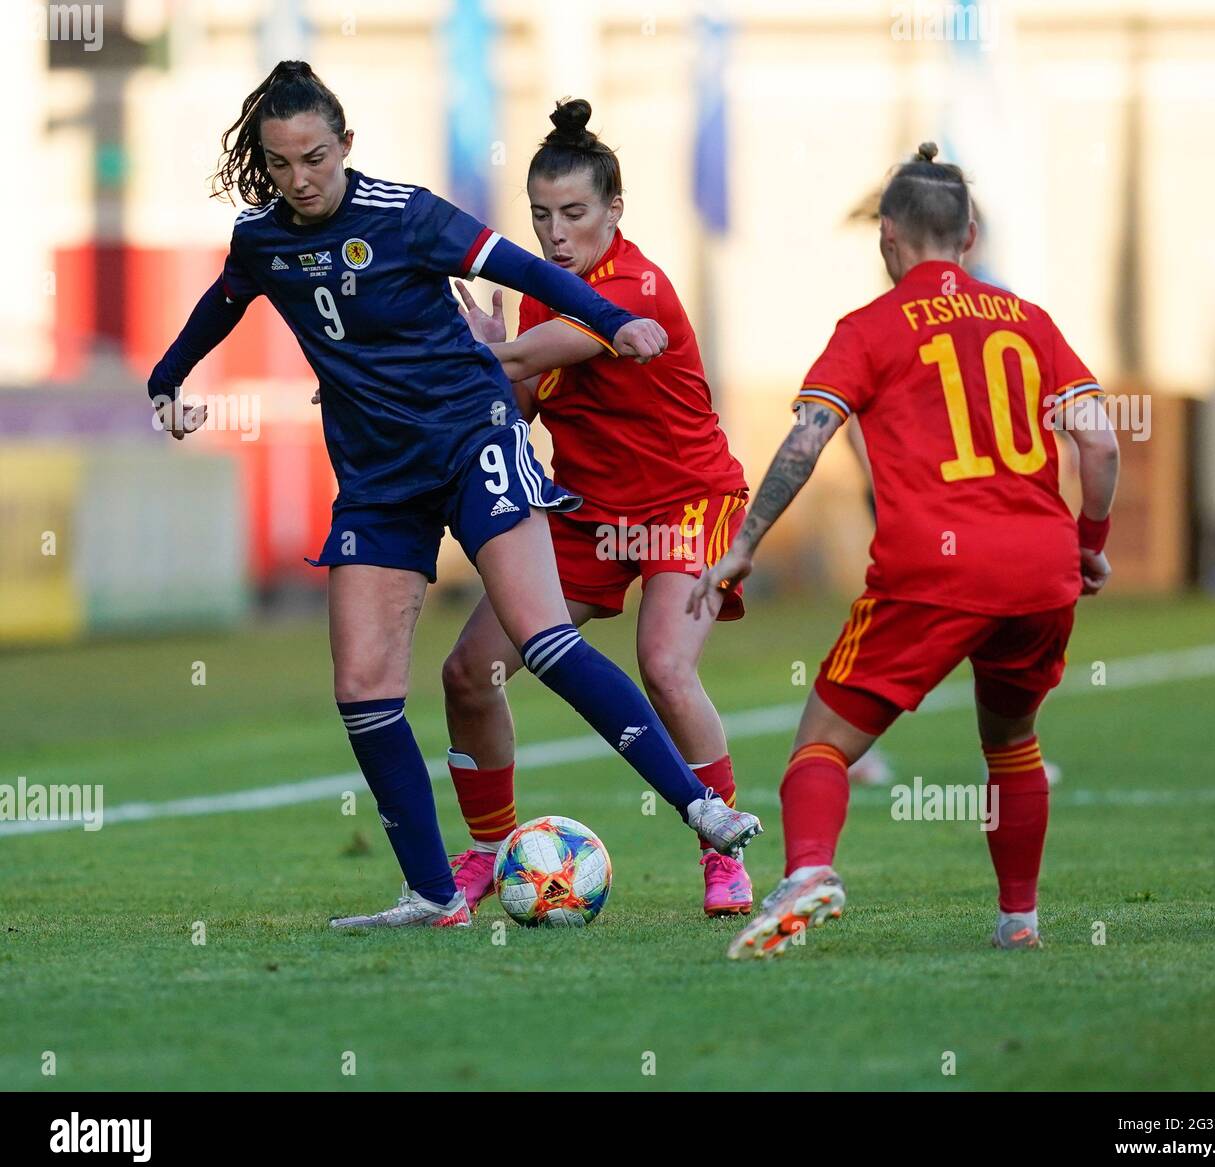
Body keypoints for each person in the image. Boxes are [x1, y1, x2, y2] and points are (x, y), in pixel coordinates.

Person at [148, 62, 761, 932]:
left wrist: (611, 323)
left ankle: (702, 813)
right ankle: (437, 893)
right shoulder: (263, 240)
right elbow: (223, 302)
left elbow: (520, 285)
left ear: (346, 145)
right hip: (389, 476)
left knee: (568, 646)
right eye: (281, 164)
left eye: (315, 157)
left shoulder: (412, 214)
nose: (300, 178)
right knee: (370, 687)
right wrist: (167, 379)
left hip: (495, 451)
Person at [689, 142, 1119, 959]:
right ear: (970, 234)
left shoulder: (869, 328)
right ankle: (1019, 920)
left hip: (935, 570)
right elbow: (1098, 442)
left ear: (888, 237)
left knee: (820, 743)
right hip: (1040, 568)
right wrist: (1089, 544)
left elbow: (807, 439)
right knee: (1013, 741)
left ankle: (811, 871)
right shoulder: (1029, 321)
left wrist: (743, 544)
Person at [443, 99, 754, 917]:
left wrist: (483, 353)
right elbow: (516, 408)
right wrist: (498, 352)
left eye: (574, 213)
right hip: (589, 515)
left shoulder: (635, 286)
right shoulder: (542, 299)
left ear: (614, 211)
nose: (555, 234)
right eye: (541, 216)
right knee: (469, 674)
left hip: (688, 503)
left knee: (664, 665)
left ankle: (723, 856)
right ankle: (485, 853)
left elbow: (549, 349)